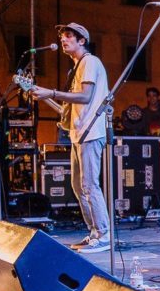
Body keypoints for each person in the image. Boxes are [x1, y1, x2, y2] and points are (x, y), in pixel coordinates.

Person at [30, 23, 110, 253]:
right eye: (62, 37)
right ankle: (94, 233)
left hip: (91, 132)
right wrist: (44, 96)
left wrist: (51, 92)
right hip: (78, 134)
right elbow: (70, 108)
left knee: (89, 185)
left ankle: (104, 235)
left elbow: (85, 97)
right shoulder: (75, 69)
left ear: (81, 41)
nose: (63, 40)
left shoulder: (89, 62)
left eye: (68, 36)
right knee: (78, 186)